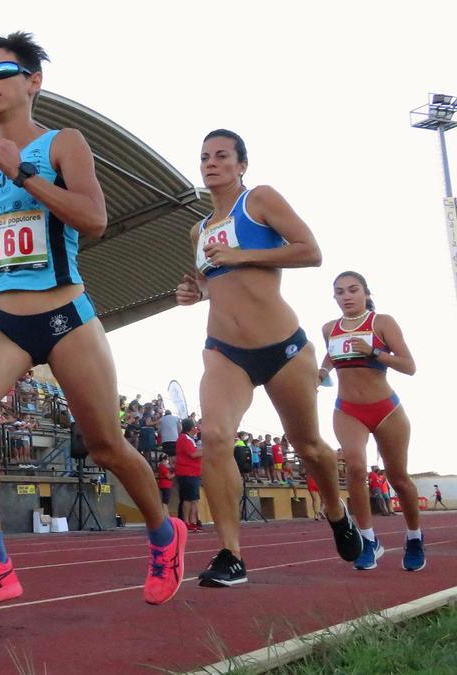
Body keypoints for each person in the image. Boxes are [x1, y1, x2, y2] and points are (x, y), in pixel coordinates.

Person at [0, 32, 184, 608]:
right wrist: (1, 172)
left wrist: (23, 173)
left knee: (106, 447)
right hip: (1, 320)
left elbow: (94, 218)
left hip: (66, 315)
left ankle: (163, 533)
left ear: (33, 82)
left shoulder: (61, 144)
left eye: (1, 72)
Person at [175, 128, 361, 587]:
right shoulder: (197, 230)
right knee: (215, 436)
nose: (211, 163)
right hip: (223, 351)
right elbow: (210, 283)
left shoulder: (258, 200)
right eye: (204, 157)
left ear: (241, 165)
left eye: (222, 156)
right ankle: (230, 555)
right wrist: (192, 292)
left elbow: (311, 252)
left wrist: (242, 256)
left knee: (310, 446)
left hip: (283, 348)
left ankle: (337, 513)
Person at [318, 271, 422, 571]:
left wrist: (376, 352)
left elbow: (409, 366)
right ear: (334, 297)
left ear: (365, 292)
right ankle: (368, 540)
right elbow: (331, 355)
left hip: (387, 410)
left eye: (353, 290)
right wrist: (321, 373)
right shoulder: (329, 329)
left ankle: (414, 537)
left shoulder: (382, 322)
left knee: (398, 477)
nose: (346, 296)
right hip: (347, 409)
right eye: (339, 292)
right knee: (354, 467)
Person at [174, 418, 203, 533]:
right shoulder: (184, 439)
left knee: (194, 499)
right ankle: (186, 522)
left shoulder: (188, 439)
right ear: (191, 428)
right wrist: (208, 450)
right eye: (195, 426)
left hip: (193, 472)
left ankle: (192, 521)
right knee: (188, 499)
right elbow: (194, 454)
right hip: (187, 472)